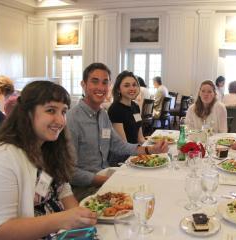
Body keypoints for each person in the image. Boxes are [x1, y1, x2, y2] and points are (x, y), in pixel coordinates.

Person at [0, 81, 96, 239]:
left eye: (63, 112)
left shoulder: (49, 148)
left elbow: (64, 193)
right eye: (51, 110)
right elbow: (0, 230)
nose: (61, 120)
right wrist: (63, 219)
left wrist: (81, 226)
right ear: (27, 113)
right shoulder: (3, 157)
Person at [67, 63, 168, 200]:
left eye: (105, 83)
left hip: (106, 179)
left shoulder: (102, 114)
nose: (101, 87)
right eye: (95, 81)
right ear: (83, 85)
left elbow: (119, 145)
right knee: (143, 198)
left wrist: (151, 149)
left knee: (152, 189)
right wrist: (108, 180)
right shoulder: (72, 119)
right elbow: (70, 172)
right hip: (84, 190)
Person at [108, 71, 145, 144]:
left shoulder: (135, 106)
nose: (132, 88)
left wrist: (151, 149)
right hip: (125, 153)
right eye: (127, 85)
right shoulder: (115, 109)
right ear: (118, 89)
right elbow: (123, 144)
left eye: (134, 85)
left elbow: (140, 138)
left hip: (136, 150)